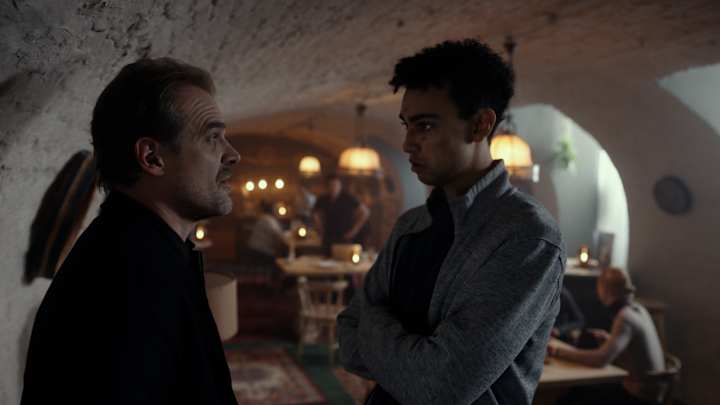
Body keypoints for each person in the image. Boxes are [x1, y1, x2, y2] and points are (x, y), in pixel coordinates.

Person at [337, 39, 565, 404]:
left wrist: (373, 323)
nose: (408, 143)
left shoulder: (526, 236)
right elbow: (347, 338)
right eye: (406, 125)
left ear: (480, 125)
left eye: (425, 126)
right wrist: (411, 355)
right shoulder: (411, 225)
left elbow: (441, 386)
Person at [21, 58, 241, 405]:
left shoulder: (151, 252)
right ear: (152, 158)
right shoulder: (127, 277)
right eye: (213, 137)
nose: (233, 155)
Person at [547, 267, 665, 405]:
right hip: (653, 390)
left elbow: (600, 360)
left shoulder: (625, 317)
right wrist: (610, 340)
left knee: (572, 395)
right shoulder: (639, 309)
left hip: (639, 397)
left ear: (605, 291)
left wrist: (557, 351)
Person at [312, 173, 370, 254]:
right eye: (331, 185)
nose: (333, 188)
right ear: (328, 187)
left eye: (335, 185)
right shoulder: (323, 199)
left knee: (343, 258)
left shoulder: (348, 198)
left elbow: (365, 212)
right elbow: (315, 213)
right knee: (326, 257)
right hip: (328, 236)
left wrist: (355, 230)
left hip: (345, 236)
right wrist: (319, 226)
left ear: (340, 186)